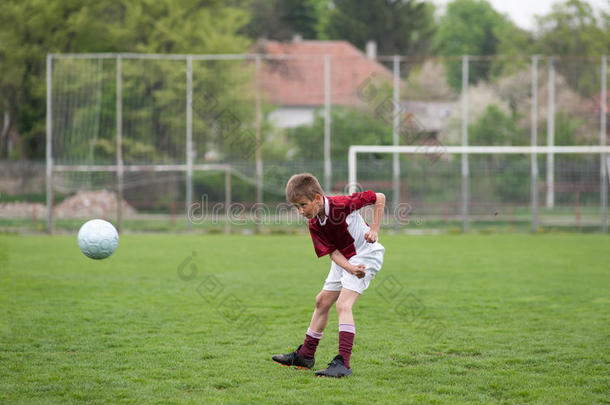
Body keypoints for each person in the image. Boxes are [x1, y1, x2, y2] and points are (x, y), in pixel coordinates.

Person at [272, 173, 386, 378]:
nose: (300, 211)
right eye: (296, 207)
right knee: (322, 301)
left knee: (343, 305)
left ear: (317, 199)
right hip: (344, 259)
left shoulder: (340, 204)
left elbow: (379, 197)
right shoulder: (314, 223)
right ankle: (306, 355)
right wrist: (349, 268)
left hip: (366, 255)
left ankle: (343, 363)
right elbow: (332, 252)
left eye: (303, 205)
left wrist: (375, 229)